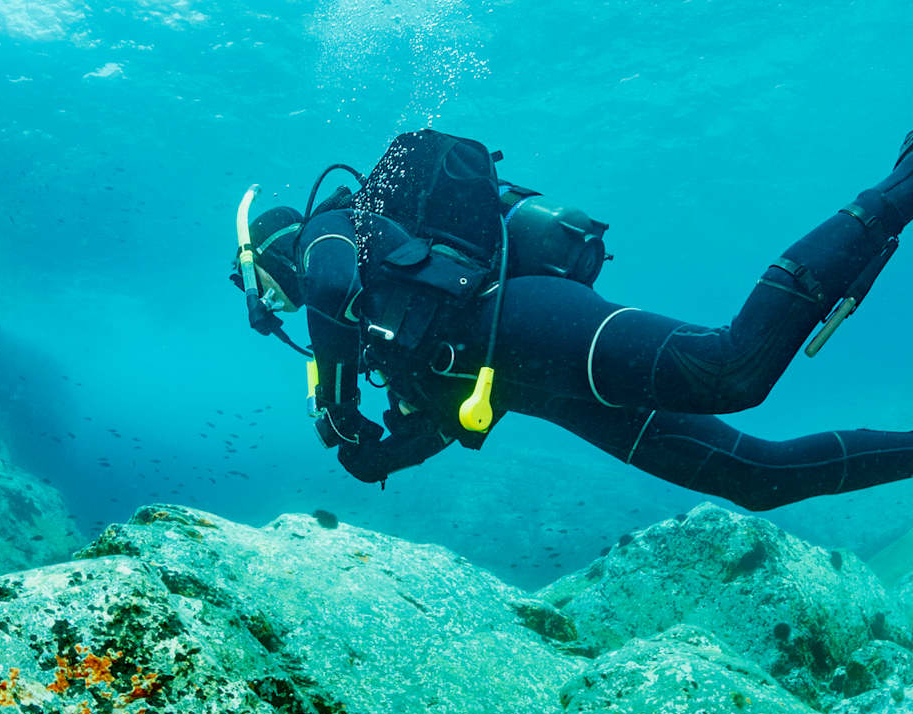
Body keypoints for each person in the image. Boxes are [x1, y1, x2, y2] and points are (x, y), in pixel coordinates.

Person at [231, 128, 913, 511]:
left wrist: (335, 400)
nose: (271, 303)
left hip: (525, 317)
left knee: (729, 368)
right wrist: (380, 453)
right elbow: (458, 412)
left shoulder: (327, 228)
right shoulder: (369, 320)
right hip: (533, 382)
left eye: (257, 283)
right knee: (757, 479)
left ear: (266, 254)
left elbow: (323, 280)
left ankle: (896, 193)